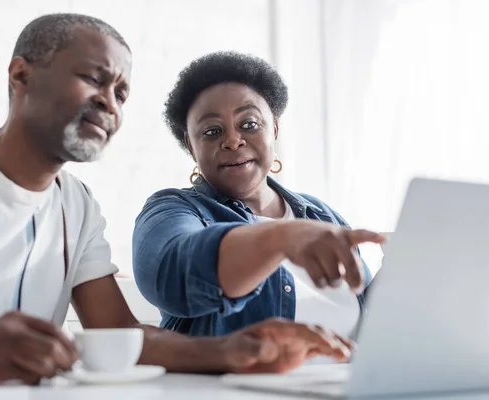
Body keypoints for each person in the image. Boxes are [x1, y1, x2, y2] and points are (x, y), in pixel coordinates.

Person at [0, 15, 352, 385]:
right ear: (21, 75)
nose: (108, 102)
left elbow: (119, 333)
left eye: (121, 93)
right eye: (94, 79)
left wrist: (236, 351)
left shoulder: (77, 206)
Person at [132, 51, 385, 340]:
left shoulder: (321, 213)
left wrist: (402, 268)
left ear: (274, 128)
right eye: (212, 131)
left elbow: (365, 317)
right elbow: (171, 277)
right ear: (191, 145)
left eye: (249, 124)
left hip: (343, 383)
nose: (232, 140)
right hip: (233, 387)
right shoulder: (174, 209)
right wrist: (280, 238)